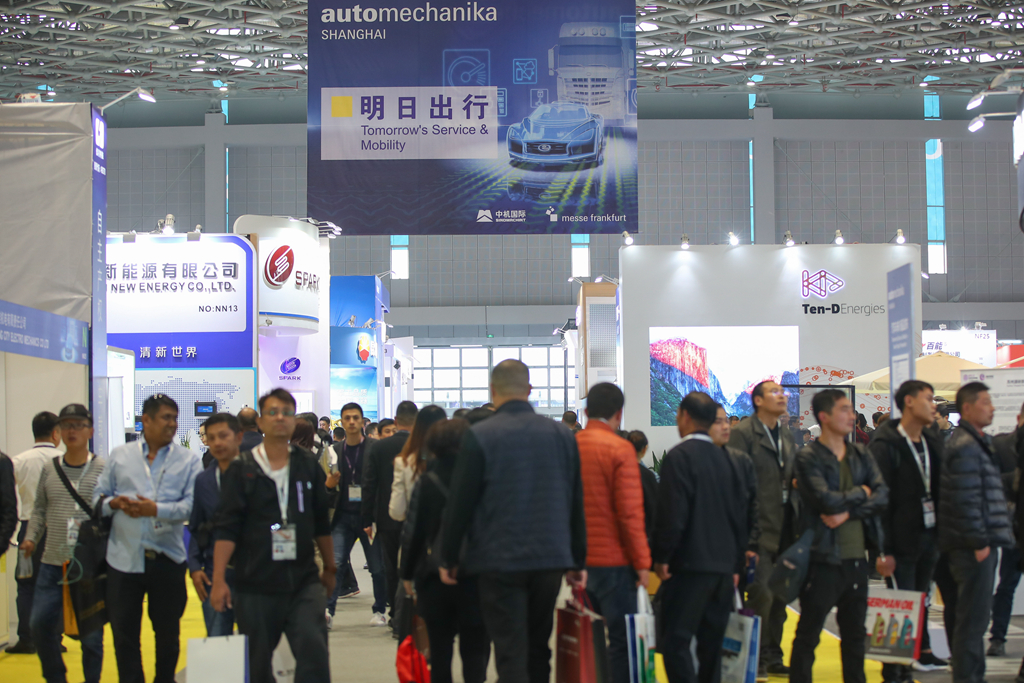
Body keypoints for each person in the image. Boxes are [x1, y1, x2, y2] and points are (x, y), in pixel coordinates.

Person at [440, 359, 587, 683]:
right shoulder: (561, 435)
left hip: (497, 558)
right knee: (539, 647)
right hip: (550, 557)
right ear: (530, 390)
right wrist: (578, 557)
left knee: (510, 649)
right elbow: (575, 499)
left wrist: (449, 556)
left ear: (493, 390)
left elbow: (461, 502)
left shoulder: (479, 435)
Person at [211, 388, 334, 683]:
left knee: (314, 653)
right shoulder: (241, 468)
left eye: (287, 413)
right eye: (272, 412)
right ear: (260, 422)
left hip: (302, 579)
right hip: (255, 582)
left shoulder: (307, 464)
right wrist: (218, 578)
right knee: (259, 665)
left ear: (294, 421)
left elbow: (320, 521)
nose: (280, 418)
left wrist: (330, 567)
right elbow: (227, 528)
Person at [93, 394, 203, 683]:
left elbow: (195, 506)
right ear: (146, 420)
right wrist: (115, 503)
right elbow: (97, 498)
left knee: (168, 636)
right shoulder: (120, 456)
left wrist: (156, 510)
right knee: (124, 635)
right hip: (123, 559)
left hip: (167, 559)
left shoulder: (188, 460)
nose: (172, 424)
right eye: (166, 417)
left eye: (175, 418)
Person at [653, 392, 759, 683]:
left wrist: (662, 557)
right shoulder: (730, 460)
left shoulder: (679, 457)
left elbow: (672, 515)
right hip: (724, 568)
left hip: (688, 567)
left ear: (685, 416)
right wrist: (735, 563)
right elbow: (741, 516)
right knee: (713, 646)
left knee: (675, 640)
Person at [790, 389, 889, 683]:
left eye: (851, 410)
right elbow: (825, 500)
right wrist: (863, 492)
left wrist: (847, 513)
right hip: (821, 558)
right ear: (824, 417)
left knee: (856, 635)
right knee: (809, 633)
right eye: (844, 409)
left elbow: (882, 495)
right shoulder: (808, 457)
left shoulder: (860, 453)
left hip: (857, 558)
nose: (851, 415)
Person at [400, 418, 491, 683]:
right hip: (475, 574)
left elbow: (415, 532)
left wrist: (407, 573)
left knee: (439, 650)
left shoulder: (427, 482)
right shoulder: (482, 480)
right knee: (475, 649)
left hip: (433, 576)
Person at [20, 404, 105, 683]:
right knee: (39, 624)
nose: (72, 430)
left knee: (91, 637)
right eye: (66, 425)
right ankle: (56, 677)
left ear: (90, 431)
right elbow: (39, 510)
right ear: (58, 431)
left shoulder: (103, 469)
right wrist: (30, 538)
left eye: (78, 425)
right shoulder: (50, 468)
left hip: (88, 566)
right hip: (52, 562)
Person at [870, 380, 948, 679]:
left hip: (929, 535)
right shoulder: (885, 445)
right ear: (910, 402)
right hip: (898, 542)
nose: (934, 405)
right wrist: (882, 549)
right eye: (928, 398)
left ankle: (921, 651)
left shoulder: (931, 440)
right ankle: (893, 671)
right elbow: (879, 503)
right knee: (899, 604)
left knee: (922, 597)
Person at [939, 382, 1013, 683]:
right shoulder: (966, 446)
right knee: (971, 621)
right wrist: (979, 542)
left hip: (978, 543)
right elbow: (965, 498)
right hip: (973, 547)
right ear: (967, 408)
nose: (992, 407)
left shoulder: (975, 441)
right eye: (985, 402)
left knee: (975, 620)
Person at [576, 383, 651, 683]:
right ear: (619, 414)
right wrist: (642, 563)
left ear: (585, 412)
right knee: (622, 641)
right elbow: (630, 513)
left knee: (587, 638)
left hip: (579, 562)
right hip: (615, 562)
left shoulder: (570, 446)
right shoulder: (621, 450)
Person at [728, 381, 797, 678]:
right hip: (758, 531)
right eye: (774, 392)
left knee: (780, 597)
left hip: (786, 529)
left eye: (783, 392)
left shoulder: (786, 435)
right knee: (762, 596)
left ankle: (772, 656)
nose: (782, 396)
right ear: (757, 400)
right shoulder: (743, 434)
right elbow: (735, 486)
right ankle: (753, 658)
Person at [325, 402, 387, 627]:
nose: (351, 422)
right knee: (336, 564)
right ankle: (327, 611)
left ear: (362, 421)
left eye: (355, 418)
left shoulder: (375, 448)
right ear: (341, 421)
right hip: (342, 516)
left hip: (368, 516)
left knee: (377, 567)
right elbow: (325, 486)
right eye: (347, 418)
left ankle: (380, 610)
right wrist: (329, 486)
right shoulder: (334, 451)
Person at [361, 399, 418, 629]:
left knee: (391, 567)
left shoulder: (379, 447)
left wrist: (366, 518)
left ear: (396, 420)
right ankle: (414, 615)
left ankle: (396, 615)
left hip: (387, 517)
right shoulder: (422, 446)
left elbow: (369, 484)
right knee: (416, 565)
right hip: (418, 518)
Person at [8, 410, 61, 654]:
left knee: (26, 584)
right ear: (56, 433)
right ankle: (55, 639)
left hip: (28, 530)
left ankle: (27, 639)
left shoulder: (18, 461)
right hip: (58, 530)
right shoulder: (65, 460)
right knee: (58, 583)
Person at [188, 412, 242, 638]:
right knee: (218, 642)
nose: (217, 443)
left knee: (257, 645)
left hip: (253, 573)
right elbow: (196, 526)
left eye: (223, 436)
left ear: (238, 437)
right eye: (211, 438)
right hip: (213, 572)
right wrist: (194, 567)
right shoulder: (204, 480)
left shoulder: (257, 474)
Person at [988, 401, 1024, 657]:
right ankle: (997, 637)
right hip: (1014, 527)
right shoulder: (1001, 445)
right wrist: (1015, 480)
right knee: (1007, 584)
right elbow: (990, 482)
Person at [390, 405, 447, 524]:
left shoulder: (404, 462)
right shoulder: (458, 460)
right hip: (449, 530)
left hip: (419, 529)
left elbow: (397, 511)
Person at [627, 430, 658, 547]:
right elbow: (653, 509)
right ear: (644, 449)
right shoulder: (648, 476)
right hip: (642, 535)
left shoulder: (617, 472)